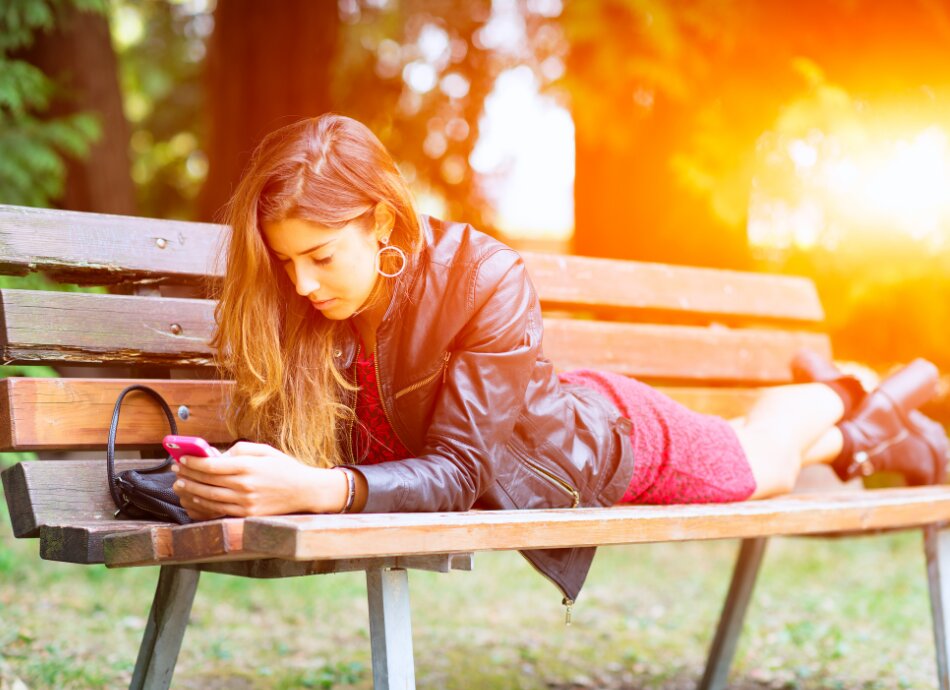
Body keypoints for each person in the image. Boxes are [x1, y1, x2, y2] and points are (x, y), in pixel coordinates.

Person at [170, 113, 949, 613]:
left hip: (608, 447)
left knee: (763, 455)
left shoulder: (482, 276)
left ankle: (850, 389)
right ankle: (878, 431)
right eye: (285, 264)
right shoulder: (310, 302)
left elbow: (458, 473)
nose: (301, 283)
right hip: (542, 418)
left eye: (320, 256)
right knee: (786, 451)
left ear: (379, 221)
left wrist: (317, 488)